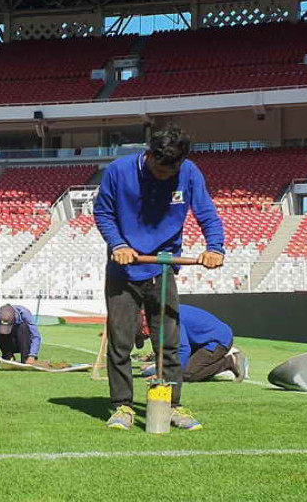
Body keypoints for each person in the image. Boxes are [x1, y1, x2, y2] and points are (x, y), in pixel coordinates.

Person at [93, 123, 225, 431]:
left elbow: (206, 212)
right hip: (123, 268)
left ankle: (172, 404)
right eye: (162, 171)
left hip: (163, 267)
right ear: (150, 154)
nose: (166, 177)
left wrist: (214, 247)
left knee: (168, 341)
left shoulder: (189, 173)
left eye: (172, 172)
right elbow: (103, 213)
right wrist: (119, 244)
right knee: (121, 341)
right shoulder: (119, 171)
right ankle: (122, 405)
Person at [137, 305, 247, 383]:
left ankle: (230, 361)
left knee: (186, 374)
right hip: (202, 340)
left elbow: (184, 349)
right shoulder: (158, 315)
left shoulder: (168, 320)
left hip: (217, 340)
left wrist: (169, 375)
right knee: (181, 368)